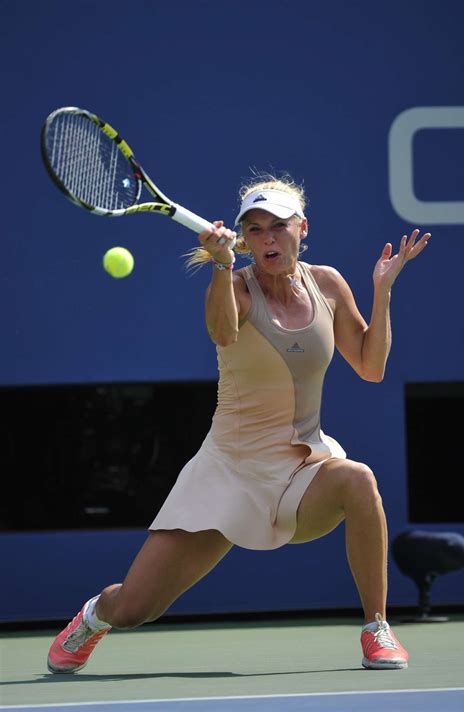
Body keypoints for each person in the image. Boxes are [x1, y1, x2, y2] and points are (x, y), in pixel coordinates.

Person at [47, 174, 431, 674]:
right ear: (244, 239)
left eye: (278, 226)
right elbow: (223, 332)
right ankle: (96, 616)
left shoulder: (329, 284)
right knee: (136, 609)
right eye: (255, 229)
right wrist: (221, 265)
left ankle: (376, 626)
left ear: (302, 228)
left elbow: (371, 366)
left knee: (358, 479)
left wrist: (382, 293)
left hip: (301, 469)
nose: (267, 239)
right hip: (228, 473)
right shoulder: (234, 286)